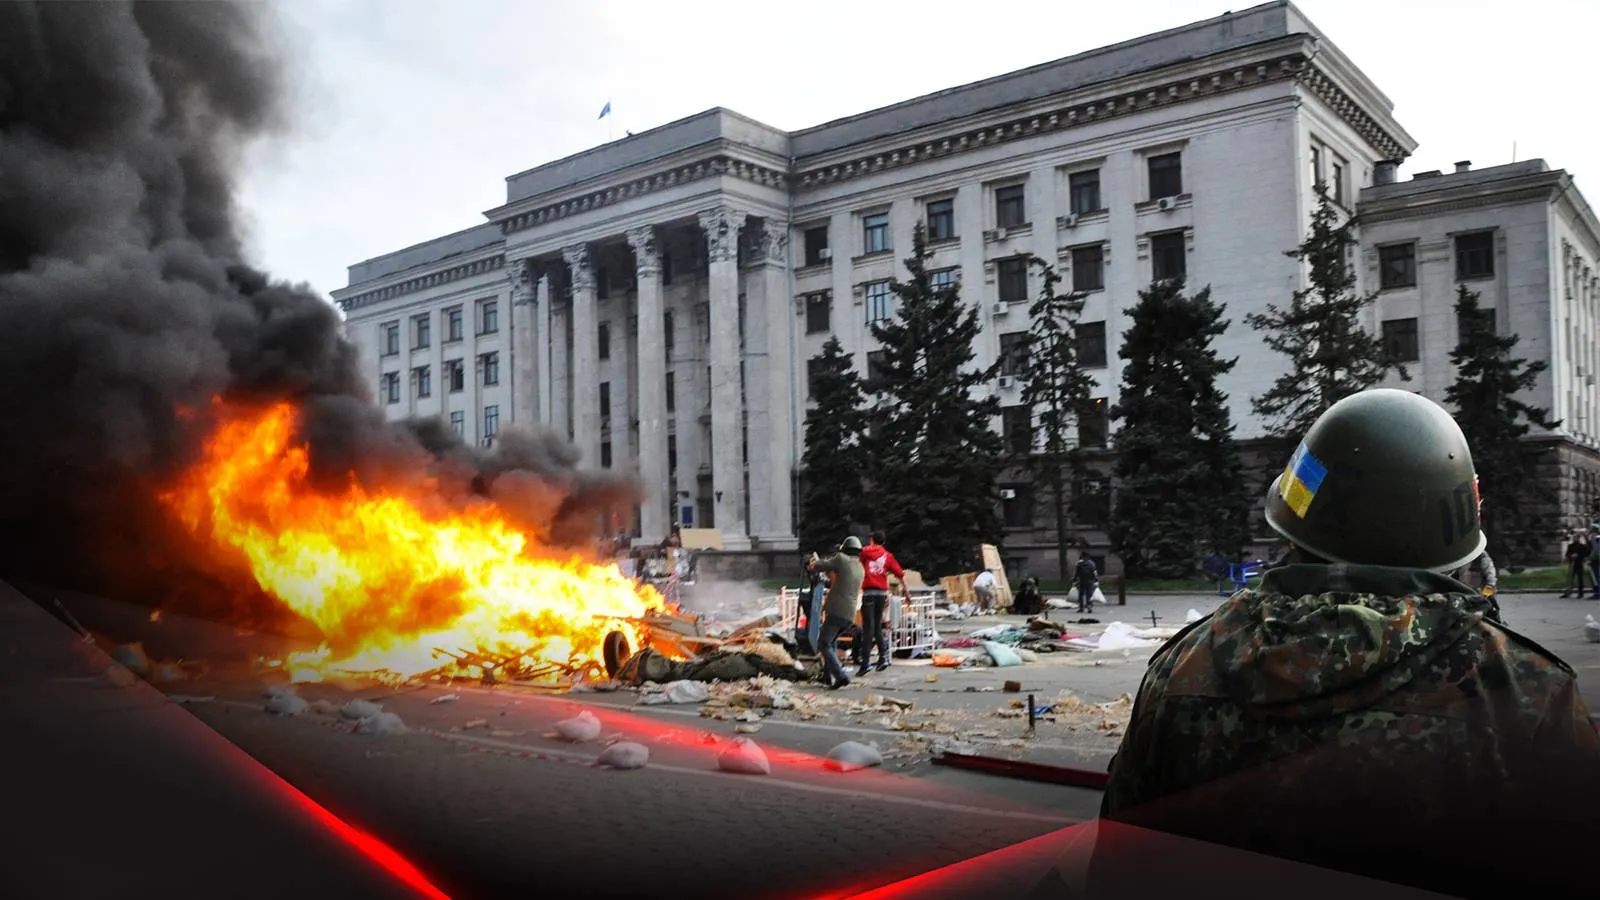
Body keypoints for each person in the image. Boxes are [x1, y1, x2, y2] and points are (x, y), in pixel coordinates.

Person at [1099, 389, 1600, 898]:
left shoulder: (1181, 669)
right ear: (1453, 531)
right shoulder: (1526, 692)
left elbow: (1118, 871)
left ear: (1295, 524)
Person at [806, 536, 864, 690]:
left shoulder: (841, 559)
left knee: (823, 643)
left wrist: (812, 564)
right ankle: (827, 677)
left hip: (837, 610)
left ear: (844, 549)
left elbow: (822, 565)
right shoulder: (860, 567)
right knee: (830, 643)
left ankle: (840, 676)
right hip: (849, 613)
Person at [856, 531, 909, 675]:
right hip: (881, 595)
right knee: (878, 627)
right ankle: (883, 658)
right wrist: (907, 593)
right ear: (883, 542)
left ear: (872, 540)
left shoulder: (865, 552)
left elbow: (857, 564)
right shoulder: (888, 556)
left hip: (869, 594)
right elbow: (900, 574)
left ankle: (865, 663)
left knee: (868, 629)